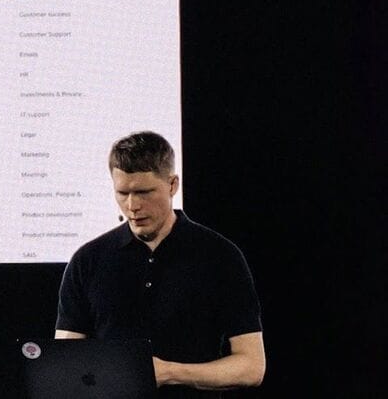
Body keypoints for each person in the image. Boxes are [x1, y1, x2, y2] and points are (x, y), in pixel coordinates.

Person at [55, 131, 265, 395]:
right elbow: (63, 365)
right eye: (122, 193)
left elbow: (251, 367)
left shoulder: (220, 257)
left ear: (173, 185)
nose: (132, 206)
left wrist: (169, 373)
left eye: (144, 192)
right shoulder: (87, 261)